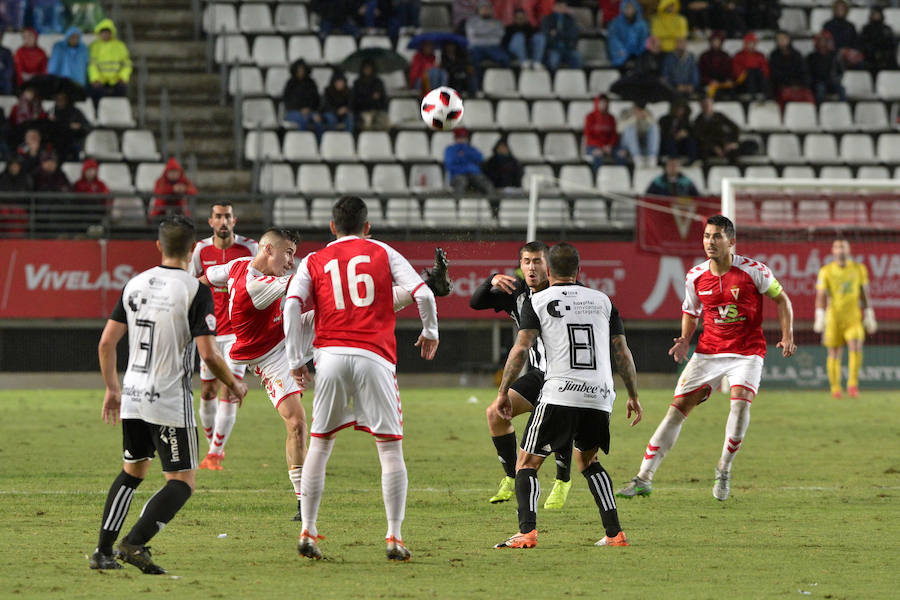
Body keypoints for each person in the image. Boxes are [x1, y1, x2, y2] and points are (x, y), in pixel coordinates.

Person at [90, 215, 248, 574]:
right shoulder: (195, 289)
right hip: (168, 400)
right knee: (182, 482)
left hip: (132, 394)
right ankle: (134, 543)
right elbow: (208, 354)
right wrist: (234, 383)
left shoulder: (134, 284)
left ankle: (102, 552)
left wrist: (112, 389)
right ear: (193, 249)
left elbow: (106, 343)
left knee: (132, 473)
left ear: (159, 246)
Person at [285, 195, 439, 561]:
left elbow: (292, 304)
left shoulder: (314, 259)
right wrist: (430, 330)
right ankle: (394, 536)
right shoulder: (382, 251)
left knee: (320, 445)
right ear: (367, 227)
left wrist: (295, 359)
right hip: (375, 357)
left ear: (332, 227)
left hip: (331, 356)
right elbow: (423, 293)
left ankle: (308, 529)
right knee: (388, 448)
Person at [617, 215, 796, 502]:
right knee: (676, 411)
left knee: (738, 405)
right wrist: (685, 339)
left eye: (717, 237)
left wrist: (787, 336)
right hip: (709, 352)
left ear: (731, 241)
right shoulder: (695, 276)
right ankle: (643, 478)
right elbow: (691, 311)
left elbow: (782, 300)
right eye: (706, 236)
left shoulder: (755, 271)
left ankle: (724, 468)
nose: (710, 242)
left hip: (746, 352)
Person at [493, 242, 642, 549]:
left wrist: (503, 392)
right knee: (588, 461)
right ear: (579, 270)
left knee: (526, 463)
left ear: (548, 271)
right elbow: (622, 352)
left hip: (560, 392)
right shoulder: (602, 300)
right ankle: (615, 533)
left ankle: (527, 532)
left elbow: (521, 348)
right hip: (600, 395)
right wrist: (632, 395)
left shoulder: (537, 300)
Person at [200, 228, 309, 520]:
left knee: (347, 309)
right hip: (269, 357)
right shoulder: (257, 284)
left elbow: (204, 280)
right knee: (296, 422)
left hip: (289, 335)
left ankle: (303, 503)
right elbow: (304, 283)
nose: (290, 261)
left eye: (294, 256)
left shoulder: (236, 267)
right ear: (268, 249)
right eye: (288, 253)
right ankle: (303, 500)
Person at [472, 242, 576, 510]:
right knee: (496, 413)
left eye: (537, 261)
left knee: (558, 423)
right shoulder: (516, 293)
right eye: (527, 261)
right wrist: (491, 278)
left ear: (549, 265)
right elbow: (476, 302)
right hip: (539, 374)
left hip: (566, 374)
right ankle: (509, 477)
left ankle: (562, 480)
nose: (532, 267)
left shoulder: (566, 291)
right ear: (520, 265)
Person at [189, 203, 258, 470]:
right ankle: (212, 448)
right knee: (208, 390)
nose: (223, 221)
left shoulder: (250, 249)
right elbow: (191, 284)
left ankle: (216, 453)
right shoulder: (200, 250)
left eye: (227, 216)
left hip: (239, 331)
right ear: (210, 221)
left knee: (230, 389)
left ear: (234, 220)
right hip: (209, 331)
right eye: (218, 216)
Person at [814, 239, 876, 399]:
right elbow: (821, 295)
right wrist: (819, 316)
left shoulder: (859, 269)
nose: (840, 249)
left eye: (843, 247)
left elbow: (864, 292)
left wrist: (869, 313)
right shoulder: (826, 271)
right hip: (833, 317)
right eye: (837, 247)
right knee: (834, 351)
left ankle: (852, 385)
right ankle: (835, 389)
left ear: (849, 250)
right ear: (832, 251)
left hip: (853, 317)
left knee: (855, 346)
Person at [88, 19, 132, 105]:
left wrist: (123, 77)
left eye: (107, 32)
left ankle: (118, 112)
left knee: (121, 89)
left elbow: (127, 63)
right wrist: (95, 79)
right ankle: (97, 114)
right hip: (100, 79)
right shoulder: (94, 46)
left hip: (116, 79)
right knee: (95, 91)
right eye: (103, 32)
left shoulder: (120, 46)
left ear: (111, 33)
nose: (105, 34)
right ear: (99, 33)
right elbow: (91, 64)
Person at [444, 127, 494, 196]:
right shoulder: (450, 150)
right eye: (459, 137)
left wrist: (466, 152)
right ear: (455, 138)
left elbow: (480, 158)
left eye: (464, 137)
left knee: (484, 183)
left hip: (472, 175)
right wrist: (466, 167)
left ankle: (492, 204)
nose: (462, 139)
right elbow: (449, 165)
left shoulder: (470, 149)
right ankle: (458, 203)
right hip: (457, 175)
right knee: (461, 182)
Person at [768, 30, 813, 105]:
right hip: (782, 86)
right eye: (779, 39)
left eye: (783, 38)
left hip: (799, 86)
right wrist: (789, 84)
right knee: (784, 95)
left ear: (789, 39)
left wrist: (798, 84)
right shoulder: (774, 55)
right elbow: (775, 74)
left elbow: (803, 71)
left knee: (808, 96)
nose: (781, 41)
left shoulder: (797, 54)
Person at [467, 0, 510, 76]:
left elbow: (499, 37)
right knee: (470, 61)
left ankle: (501, 80)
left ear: (491, 10)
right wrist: (491, 32)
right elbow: (472, 37)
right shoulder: (471, 22)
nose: (485, 10)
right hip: (476, 48)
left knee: (505, 59)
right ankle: (477, 85)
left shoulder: (497, 22)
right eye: (482, 8)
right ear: (478, 10)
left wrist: (480, 33)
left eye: (487, 8)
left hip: (494, 47)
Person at [584, 93, 626, 170]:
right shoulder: (590, 117)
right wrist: (602, 146)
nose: (603, 105)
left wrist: (609, 145)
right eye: (601, 103)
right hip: (593, 146)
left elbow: (614, 135)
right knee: (598, 154)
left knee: (621, 153)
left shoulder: (611, 118)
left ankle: (619, 177)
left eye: (605, 103)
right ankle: (597, 179)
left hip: (609, 146)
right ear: (597, 103)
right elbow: (588, 135)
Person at [282, 59, 323, 138]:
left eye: (302, 69)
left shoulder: (311, 83)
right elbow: (287, 101)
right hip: (293, 112)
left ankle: (319, 145)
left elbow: (316, 99)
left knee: (318, 121)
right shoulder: (290, 83)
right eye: (299, 69)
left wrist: (310, 109)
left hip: (310, 111)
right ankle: (302, 143)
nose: (301, 71)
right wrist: (300, 110)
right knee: (302, 120)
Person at [693, 97, 740, 162]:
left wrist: (732, 142)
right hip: (709, 146)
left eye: (708, 104)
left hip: (724, 143)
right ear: (701, 106)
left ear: (712, 105)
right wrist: (714, 147)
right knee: (703, 152)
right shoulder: (697, 121)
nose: (706, 107)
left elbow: (735, 128)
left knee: (734, 153)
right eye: (704, 105)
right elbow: (701, 137)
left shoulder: (720, 116)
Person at [540, 0, 582, 71]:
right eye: (559, 6)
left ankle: (573, 80)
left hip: (568, 48)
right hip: (553, 48)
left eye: (563, 6)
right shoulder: (547, 19)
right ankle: (553, 81)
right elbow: (546, 36)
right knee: (553, 62)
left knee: (577, 58)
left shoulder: (570, 19)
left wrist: (557, 34)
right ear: (554, 7)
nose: (561, 8)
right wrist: (564, 34)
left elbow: (573, 34)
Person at [607, 0, 649, 70]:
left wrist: (639, 51)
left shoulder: (642, 24)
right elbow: (613, 39)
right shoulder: (615, 23)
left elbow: (645, 40)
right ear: (622, 8)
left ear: (636, 8)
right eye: (627, 8)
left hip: (638, 56)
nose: (629, 10)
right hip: (621, 55)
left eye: (631, 8)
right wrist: (621, 50)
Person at [48, 91, 90, 161]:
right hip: (56, 142)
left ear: (67, 99)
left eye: (62, 99)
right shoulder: (51, 112)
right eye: (58, 99)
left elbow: (87, 126)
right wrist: (50, 122)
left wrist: (79, 126)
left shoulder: (76, 112)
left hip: (72, 141)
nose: (60, 101)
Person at [807, 31, 845, 105]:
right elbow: (808, 72)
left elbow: (841, 71)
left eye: (825, 41)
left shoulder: (834, 56)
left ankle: (843, 109)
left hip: (832, 81)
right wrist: (814, 81)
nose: (823, 43)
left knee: (842, 89)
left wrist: (836, 80)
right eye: (821, 41)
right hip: (818, 82)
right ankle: (819, 109)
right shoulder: (811, 57)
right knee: (820, 89)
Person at [619, 101, 659, 168]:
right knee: (630, 128)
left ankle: (652, 157)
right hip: (627, 144)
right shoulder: (625, 112)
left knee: (654, 127)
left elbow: (657, 129)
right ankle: (637, 157)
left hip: (642, 143)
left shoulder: (648, 113)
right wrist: (634, 118)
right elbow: (619, 129)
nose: (640, 110)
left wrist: (647, 118)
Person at [351, 59, 389, 131]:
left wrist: (378, 99)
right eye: (365, 68)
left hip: (377, 110)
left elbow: (383, 100)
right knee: (367, 121)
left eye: (369, 68)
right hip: (362, 111)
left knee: (385, 122)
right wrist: (371, 98)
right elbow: (355, 101)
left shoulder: (378, 82)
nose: (367, 70)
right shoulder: (357, 83)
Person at [732, 32, 770, 99]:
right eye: (749, 43)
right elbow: (736, 70)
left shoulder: (760, 55)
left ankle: (767, 97)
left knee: (758, 73)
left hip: (758, 80)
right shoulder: (739, 55)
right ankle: (753, 97)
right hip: (743, 81)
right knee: (750, 73)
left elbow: (765, 69)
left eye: (753, 43)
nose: (751, 45)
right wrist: (746, 73)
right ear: (745, 44)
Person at [860, 7, 898, 73]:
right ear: (871, 15)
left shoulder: (887, 29)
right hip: (870, 58)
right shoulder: (866, 29)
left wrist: (884, 55)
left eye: (878, 14)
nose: (876, 16)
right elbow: (864, 44)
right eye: (875, 14)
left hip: (886, 58)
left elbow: (892, 45)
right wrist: (874, 54)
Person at [698, 32, 734, 99]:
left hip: (722, 85)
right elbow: (701, 73)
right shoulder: (704, 56)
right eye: (714, 41)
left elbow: (730, 72)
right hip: (709, 84)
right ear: (711, 42)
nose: (716, 43)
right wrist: (710, 81)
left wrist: (728, 80)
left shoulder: (726, 56)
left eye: (718, 41)